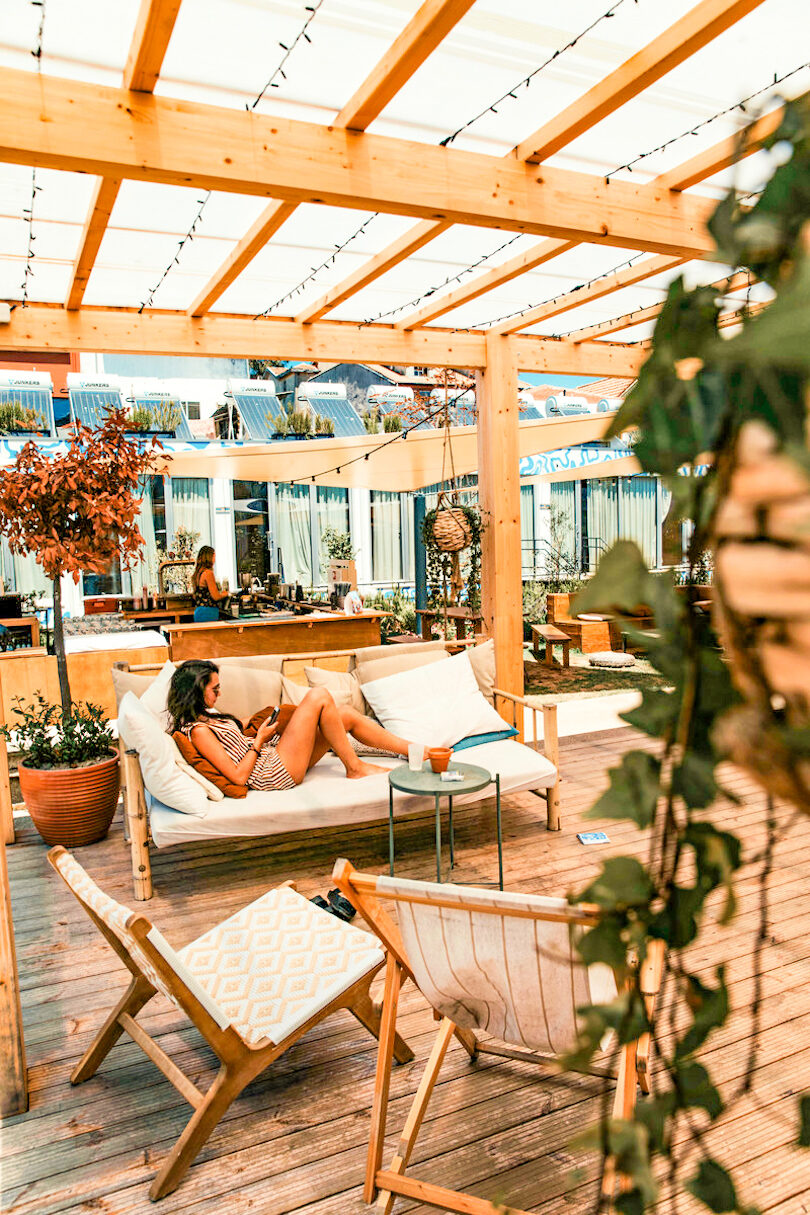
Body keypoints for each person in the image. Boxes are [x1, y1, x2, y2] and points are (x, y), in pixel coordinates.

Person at [167, 659, 413, 789]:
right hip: (272, 772)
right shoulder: (198, 732)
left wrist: (265, 721)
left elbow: (236, 732)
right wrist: (260, 741)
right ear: (195, 692)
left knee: (345, 714)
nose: (219, 694)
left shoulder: (207, 715)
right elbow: (239, 777)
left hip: (274, 754)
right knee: (319, 696)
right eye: (215, 689)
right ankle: (355, 768)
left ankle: (415, 751)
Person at [191, 546, 229, 623]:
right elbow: (215, 596)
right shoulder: (208, 573)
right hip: (208, 612)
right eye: (214, 556)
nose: (214, 560)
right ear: (209, 557)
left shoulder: (198, 573)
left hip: (199, 611)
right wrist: (225, 593)